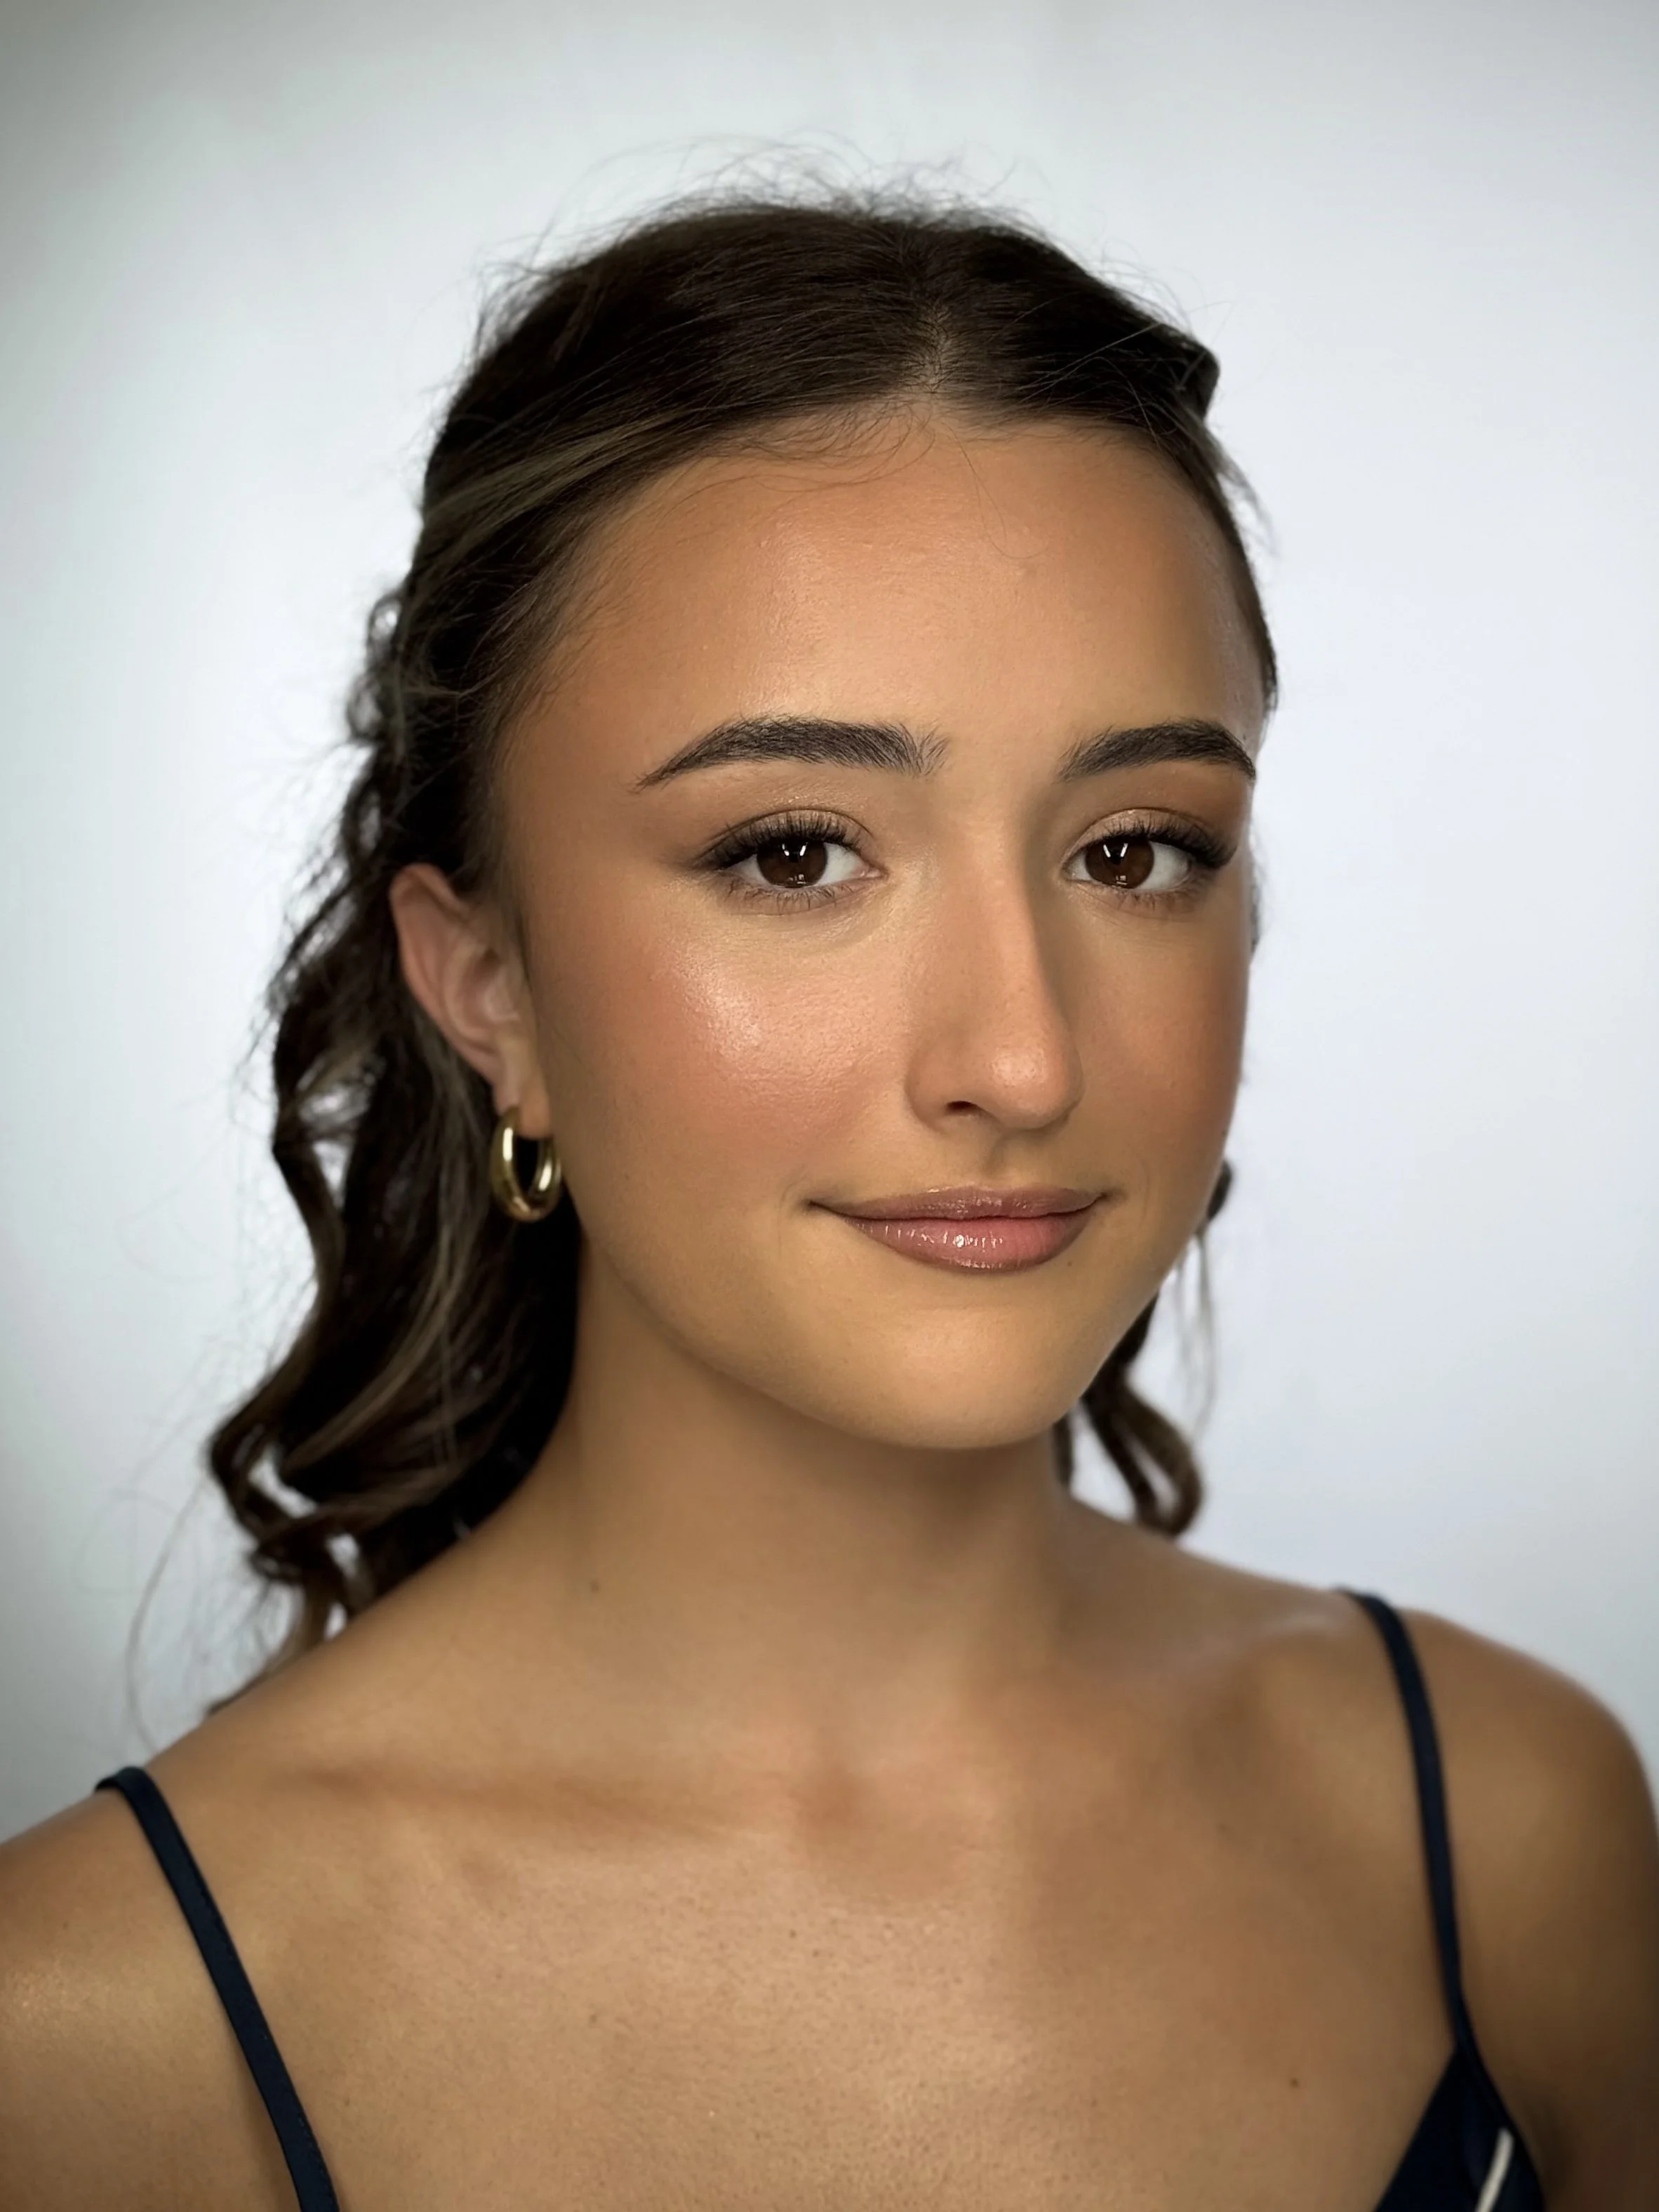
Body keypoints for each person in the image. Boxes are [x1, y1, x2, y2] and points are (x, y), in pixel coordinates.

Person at [1, 193, 1655, 2211]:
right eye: (794, 853)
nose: (1019, 1058)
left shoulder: (1503, 1828)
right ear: (485, 987)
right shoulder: (89, 2031)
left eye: (1136, 852)